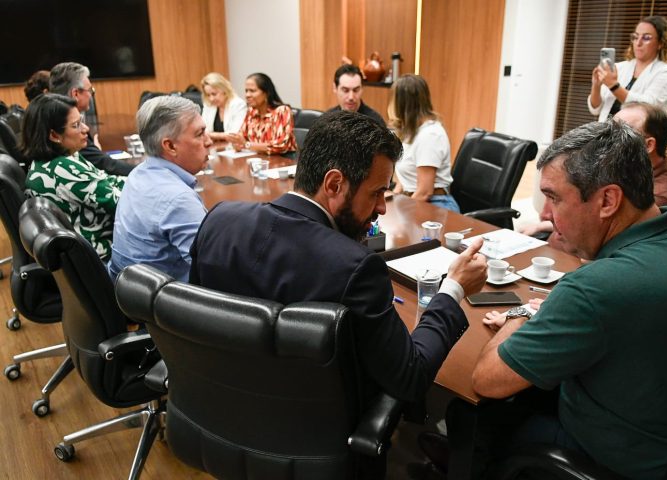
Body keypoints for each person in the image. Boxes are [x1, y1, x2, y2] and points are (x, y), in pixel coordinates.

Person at [467, 119, 667, 479]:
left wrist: (523, 313)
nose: (545, 214)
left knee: (478, 416)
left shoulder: (597, 289)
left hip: (628, 459)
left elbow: (486, 379)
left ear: (608, 200)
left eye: (554, 198)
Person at [190, 110, 486, 407]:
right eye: (376, 193)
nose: (382, 208)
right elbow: (411, 376)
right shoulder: (355, 268)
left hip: (214, 402)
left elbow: (196, 323)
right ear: (334, 185)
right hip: (307, 423)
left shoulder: (218, 220)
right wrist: (453, 288)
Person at [520, 101, 667, 239]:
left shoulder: (657, 198)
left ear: (648, 145)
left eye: (620, 133)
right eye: (608, 129)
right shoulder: (620, 174)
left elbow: (599, 239)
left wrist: (545, 226)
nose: (607, 140)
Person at [107, 96, 210, 282]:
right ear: (170, 146)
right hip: (158, 298)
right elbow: (213, 272)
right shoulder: (178, 199)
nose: (209, 141)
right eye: (199, 134)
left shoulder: (138, 174)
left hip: (126, 287)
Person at [21, 94, 125, 260]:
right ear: (54, 135)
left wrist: (140, 182)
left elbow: (106, 179)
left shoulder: (54, 159)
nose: (86, 129)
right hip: (106, 256)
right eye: (76, 125)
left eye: (82, 121)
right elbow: (123, 204)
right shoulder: (64, 169)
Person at [388, 74, 460, 212]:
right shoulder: (411, 132)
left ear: (402, 104)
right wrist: (391, 201)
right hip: (414, 200)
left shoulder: (430, 135)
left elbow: (425, 192)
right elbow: (404, 183)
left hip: (436, 205)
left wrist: (397, 212)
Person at [49, 62, 135, 176]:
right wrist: (145, 172)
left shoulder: (51, 115)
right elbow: (105, 164)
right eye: (90, 91)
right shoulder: (64, 126)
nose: (91, 95)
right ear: (75, 94)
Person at [588, 15, 667, 122]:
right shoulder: (619, 67)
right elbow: (595, 109)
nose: (638, 43)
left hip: (638, 132)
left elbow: (648, 107)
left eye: (646, 38)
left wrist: (613, 85)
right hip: (605, 130)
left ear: (660, 43)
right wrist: (596, 86)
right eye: (636, 37)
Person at [233, 73, 296, 156]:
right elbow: (242, 137)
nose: (247, 95)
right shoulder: (251, 111)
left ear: (266, 93)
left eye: (252, 91)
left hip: (283, 159)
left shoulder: (282, 111)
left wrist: (247, 145)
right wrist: (237, 143)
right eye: (246, 91)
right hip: (259, 158)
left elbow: (281, 145)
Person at [200, 72, 247, 145]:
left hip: (233, 147)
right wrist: (222, 135)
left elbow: (234, 134)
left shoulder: (238, 104)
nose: (211, 99)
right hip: (214, 147)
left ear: (224, 90)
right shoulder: (208, 105)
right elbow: (202, 130)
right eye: (208, 95)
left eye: (214, 94)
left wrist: (211, 135)